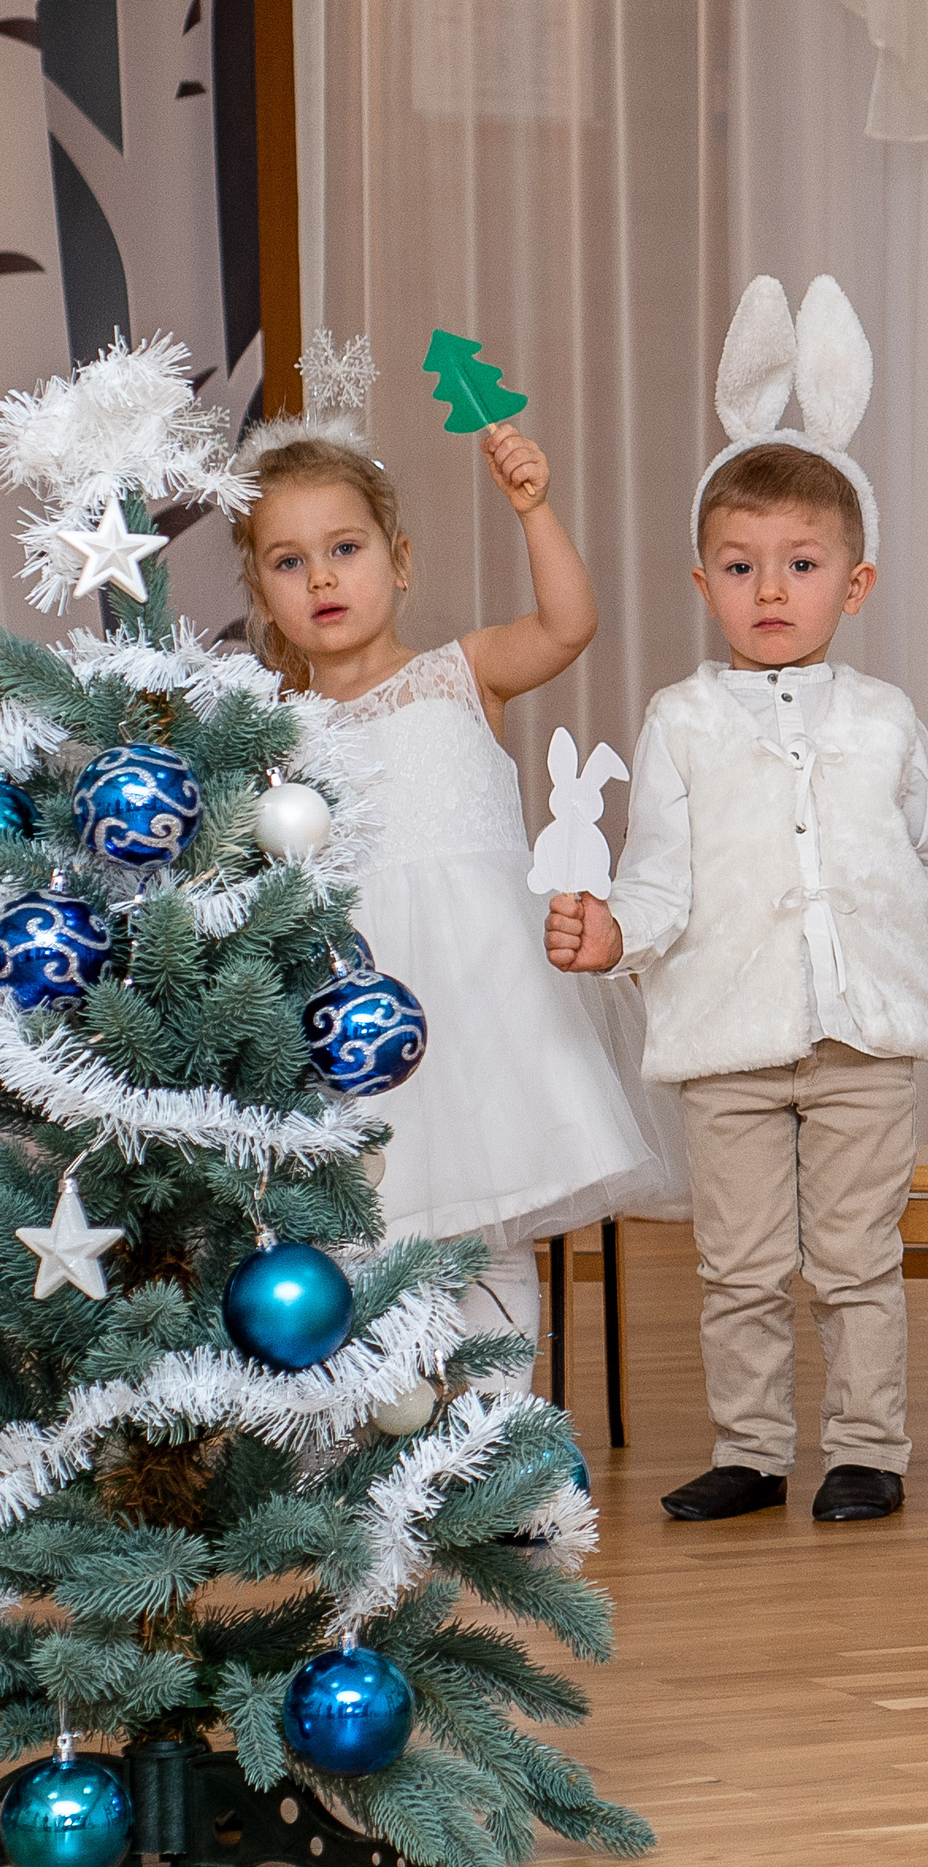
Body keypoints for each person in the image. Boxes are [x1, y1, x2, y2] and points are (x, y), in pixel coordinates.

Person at [547, 276, 928, 1526]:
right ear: (702, 578)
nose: (770, 590)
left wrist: (882, 948)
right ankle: (751, 1447)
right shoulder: (681, 720)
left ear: (856, 580)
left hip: (861, 1038)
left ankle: (866, 1449)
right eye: (741, 566)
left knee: (852, 1257)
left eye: (800, 565)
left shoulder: (885, 721)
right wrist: (618, 932)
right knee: (734, 1261)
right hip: (725, 1038)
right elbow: (659, 872)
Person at [235, 354, 671, 1397]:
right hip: (347, 1007)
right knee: (364, 1227)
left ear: (401, 559)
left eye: (345, 549)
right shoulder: (271, 732)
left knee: (485, 1220)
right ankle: (373, 1446)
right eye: (290, 562)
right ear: (259, 589)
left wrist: (535, 507)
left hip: (481, 997)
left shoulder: (459, 673)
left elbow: (569, 625)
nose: (324, 577)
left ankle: (497, 1440)